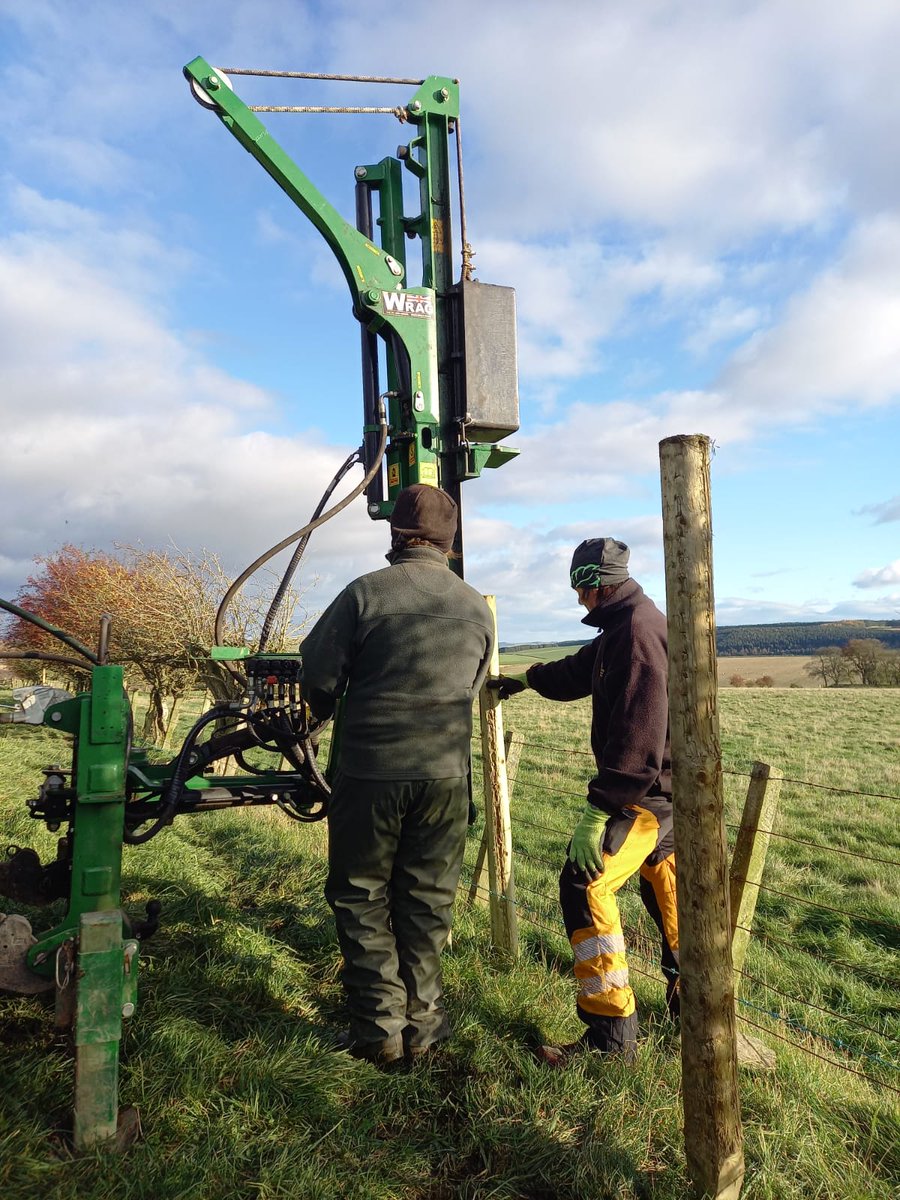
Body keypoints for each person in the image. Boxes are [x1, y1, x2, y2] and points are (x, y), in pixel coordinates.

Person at [300, 484, 495, 1065]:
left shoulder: (365, 594)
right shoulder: (474, 607)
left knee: (362, 896)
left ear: (394, 534)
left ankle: (379, 1031)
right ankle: (425, 1028)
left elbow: (317, 675)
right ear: (449, 539)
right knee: (428, 901)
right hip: (445, 777)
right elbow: (476, 682)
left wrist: (332, 706)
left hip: (371, 771)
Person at [489, 537, 678, 1064]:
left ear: (598, 582)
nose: (577, 598)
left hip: (647, 797)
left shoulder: (637, 634)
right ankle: (696, 1014)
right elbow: (578, 671)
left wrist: (601, 808)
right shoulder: (625, 625)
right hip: (666, 794)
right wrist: (525, 680)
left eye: (580, 586)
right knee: (673, 900)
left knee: (585, 882)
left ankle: (610, 1040)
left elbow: (638, 735)